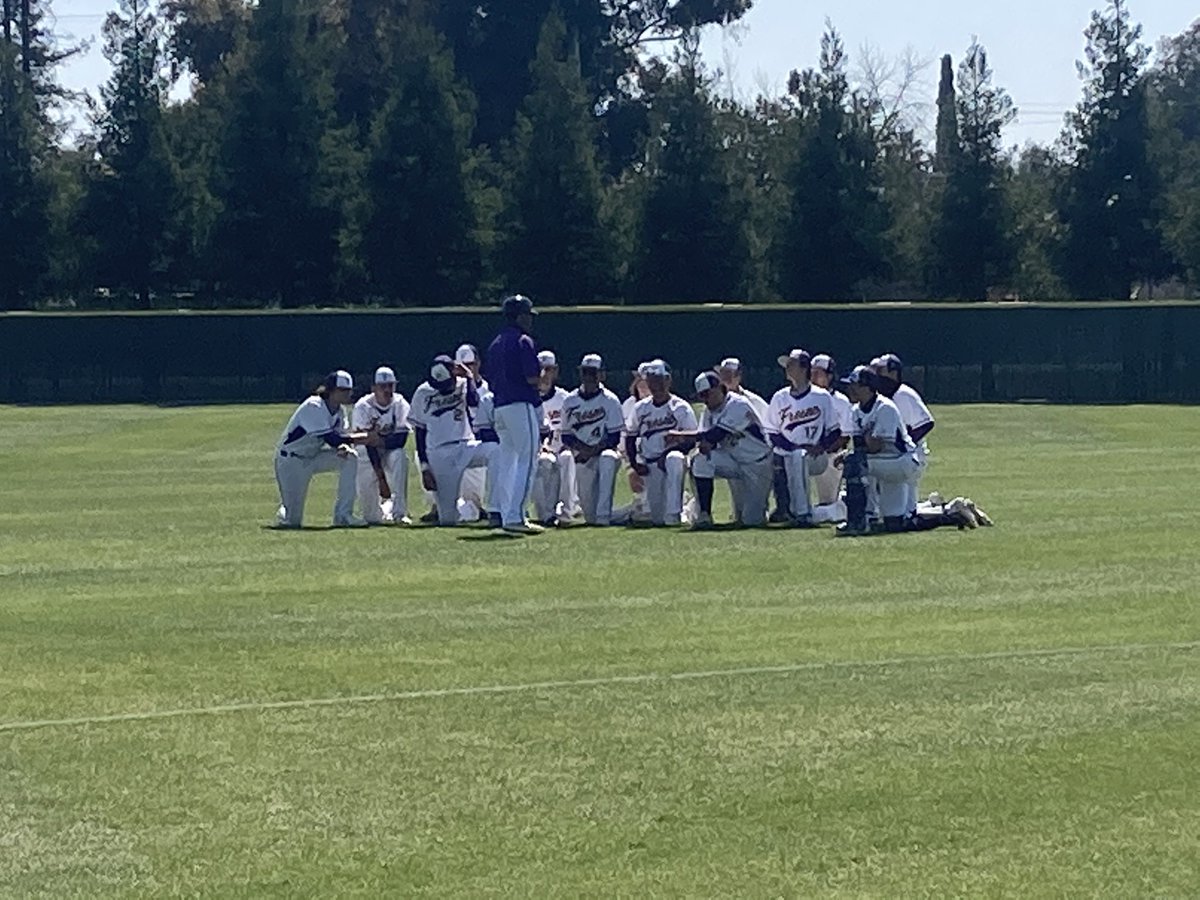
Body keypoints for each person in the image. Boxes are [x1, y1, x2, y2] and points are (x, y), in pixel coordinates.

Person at [274, 370, 378, 528]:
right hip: (291, 461)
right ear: (330, 390)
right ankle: (284, 510)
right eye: (342, 390)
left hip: (313, 457)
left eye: (349, 390)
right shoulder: (313, 405)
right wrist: (366, 437)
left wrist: (344, 447)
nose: (347, 394)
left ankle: (343, 515)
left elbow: (341, 439)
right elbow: (332, 438)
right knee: (292, 521)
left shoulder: (340, 411)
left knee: (350, 458)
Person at [672, 372, 773, 530]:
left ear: (721, 388)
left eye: (707, 394)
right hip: (733, 460)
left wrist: (681, 436)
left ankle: (763, 509)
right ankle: (704, 514)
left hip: (757, 464)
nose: (705, 400)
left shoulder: (738, 404)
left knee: (751, 520)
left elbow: (715, 434)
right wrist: (706, 444)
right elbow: (706, 442)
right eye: (701, 396)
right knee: (700, 460)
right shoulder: (708, 412)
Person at [837, 365, 923, 533]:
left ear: (867, 387)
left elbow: (877, 447)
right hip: (886, 462)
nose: (850, 389)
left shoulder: (885, 408)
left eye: (854, 385)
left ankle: (858, 521)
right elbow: (863, 445)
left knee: (855, 463)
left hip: (901, 462)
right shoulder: (855, 410)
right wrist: (862, 445)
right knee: (895, 524)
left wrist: (860, 448)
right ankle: (950, 513)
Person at [409, 355, 492, 527]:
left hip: (466, 445)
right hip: (438, 453)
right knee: (447, 519)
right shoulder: (423, 392)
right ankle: (470, 509)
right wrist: (425, 467)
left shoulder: (464, 384)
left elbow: (474, 403)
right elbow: (420, 432)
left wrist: (469, 376)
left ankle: (499, 508)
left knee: (498, 452)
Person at [485, 294, 545, 534]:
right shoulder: (523, 341)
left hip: (499, 407)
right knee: (527, 459)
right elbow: (532, 377)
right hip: (520, 404)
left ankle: (505, 511)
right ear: (519, 316)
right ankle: (516, 516)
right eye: (527, 316)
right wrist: (542, 378)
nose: (530, 320)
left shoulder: (496, 343)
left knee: (508, 461)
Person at [765, 349, 842, 526]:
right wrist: (792, 447)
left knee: (799, 457)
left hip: (816, 457)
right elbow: (772, 432)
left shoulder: (821, 396)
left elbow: (835, 431)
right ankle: (788, 510)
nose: (787, 368)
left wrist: (820, 446)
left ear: (804, 368)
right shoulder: (779, 397)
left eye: (791, 364)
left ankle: (802, 513)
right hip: (785, 454)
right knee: (795, 455)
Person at [625, 359, 697, 526]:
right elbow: (630, 437)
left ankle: (675, 515)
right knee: (656, 517)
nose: (655, 385)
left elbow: (691, 441)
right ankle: (687, 506)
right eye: (651, 381)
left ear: (668, 380)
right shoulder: (640, 408)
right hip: (650, 464)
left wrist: (667, 453)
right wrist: (634, 464)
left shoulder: (680, 407)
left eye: (659, 380)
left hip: (673, 461)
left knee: (674, 458)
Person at [559, 354, 624, 526]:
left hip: (603, 452)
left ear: (602, 375)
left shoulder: (610, 400)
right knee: (589, 516)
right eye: (585, 373)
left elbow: (614, 437)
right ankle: (626, 514)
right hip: (581, 456)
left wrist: (591, 451)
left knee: (608, 458)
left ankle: (604, 517)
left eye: (592, 373)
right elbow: (566, 435)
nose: (588, 377)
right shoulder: (570, 401)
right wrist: (584, 451)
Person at [872, 353, 934, 518]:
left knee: (906, 513)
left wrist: (905, 443)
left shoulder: (904, 394)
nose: (877, 376)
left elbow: (926, 423)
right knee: (898, 510)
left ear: (893, 373)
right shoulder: (881, 398)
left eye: (880, 371)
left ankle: (951, 512)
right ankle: (938, 507)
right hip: (892, 457)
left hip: (911, 456)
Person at [351, 366, 411, 525]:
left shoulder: (400, 403)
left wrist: (379, 440)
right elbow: (367, 444)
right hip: (367, 455)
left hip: (391, 451)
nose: (387, 390)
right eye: (382, 386)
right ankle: (387, 507)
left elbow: (401, 439)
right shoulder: (363, 406)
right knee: (372, 518)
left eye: (390, 386)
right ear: (374, 388)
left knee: (400, 457)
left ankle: (400, 512)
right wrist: (381, 479)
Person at [531, 350, 579, 526]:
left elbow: (574, 428)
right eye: (540, 369)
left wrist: (568, 445)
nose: (544, 374)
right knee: (544, 461)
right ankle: (546, 515)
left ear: (556, 371)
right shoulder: (529, 399)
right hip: (539, 450)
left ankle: (568, 510)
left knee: (567, 458)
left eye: (549, 369)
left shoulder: (565, 399)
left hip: (563, 447)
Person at [809, 354, 853, 523]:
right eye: (811, 372)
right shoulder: (805, 399)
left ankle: (826, 511)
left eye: (818, 373)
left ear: (830, 376)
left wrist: (823, 450)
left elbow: (845, 436)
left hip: (830, 455)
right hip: (806, 452)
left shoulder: (841, 401)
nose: (813, 377)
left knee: (827, 499)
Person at [455, 343, 490, 520]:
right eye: (463, 366)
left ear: (478, 364)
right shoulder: (451, 390)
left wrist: (469, 380)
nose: (467, 369)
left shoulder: (487, 389)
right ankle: (436, 506)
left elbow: (475, 402)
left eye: (471, 365)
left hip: (479, 441)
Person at [715, 357, 770, 424]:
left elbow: (770, 422)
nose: (725, 378)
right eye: (723, 373)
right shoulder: (714, 401)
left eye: (729, 374)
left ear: (738, 376)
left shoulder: (753, 400)